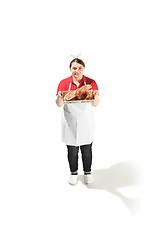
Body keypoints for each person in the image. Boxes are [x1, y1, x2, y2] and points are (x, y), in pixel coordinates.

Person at [56, 57, 100, 185]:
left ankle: (88, 172)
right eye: (74, 68)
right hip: (70, 122)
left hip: (86, 121)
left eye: (80, 68)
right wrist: (60, 96)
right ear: (70, 69)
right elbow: (59, 104)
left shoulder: (91, 82)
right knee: (72, 150)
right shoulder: (64, 83)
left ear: (83, 68)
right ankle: (73, 173)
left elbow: (95, 104)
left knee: (87, 149)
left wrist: (95, 94)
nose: (77, 71)